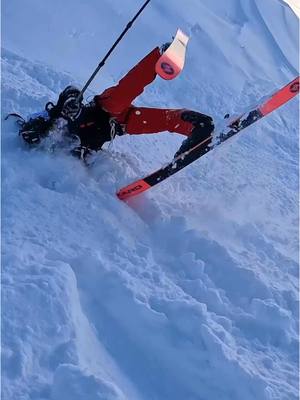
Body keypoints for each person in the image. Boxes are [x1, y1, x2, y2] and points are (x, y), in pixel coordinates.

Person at [20, 45, 214, 160]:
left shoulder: (54, 116)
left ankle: (161, 54)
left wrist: (72, 103)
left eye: (38, 134)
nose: (45, 137)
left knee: (127, 90)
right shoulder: (63, 148)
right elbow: (87, 156)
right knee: (158, 121)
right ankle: (198, 127)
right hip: (119, 123)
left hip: (104, 107)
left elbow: (71, 91)